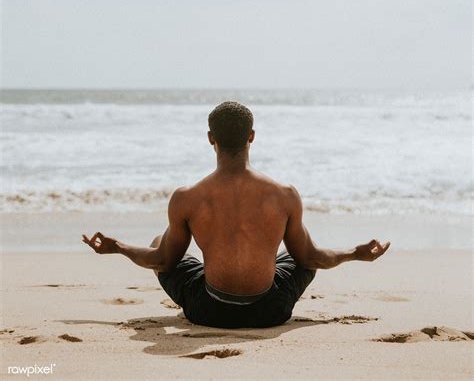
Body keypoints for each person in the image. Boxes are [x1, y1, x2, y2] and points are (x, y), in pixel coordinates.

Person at [83, 101, 390, 328]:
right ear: (252, 136)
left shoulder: (187, 198)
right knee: (299, 253)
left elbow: (162, 261)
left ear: (210, 138)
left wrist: (118, 247)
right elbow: (312, 259)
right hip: (271, 312)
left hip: (208, 312)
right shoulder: (284, 195)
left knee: (158, 244)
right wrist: (354, 253)